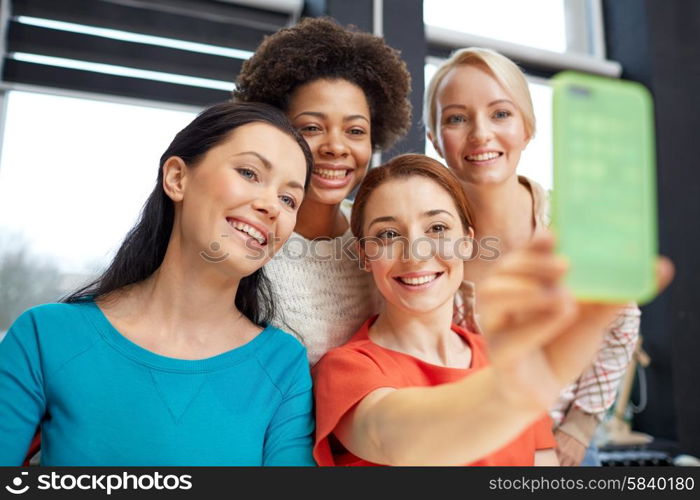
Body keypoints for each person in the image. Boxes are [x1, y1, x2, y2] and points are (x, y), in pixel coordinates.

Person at [0, 102, 317, 466]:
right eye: (248, 172)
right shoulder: (46, 336)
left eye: (289, 198)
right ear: (177, 178)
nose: (271, 206)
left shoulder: (282, 365)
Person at [311, 154, 672, 466]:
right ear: (363, 255)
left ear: (467, 243)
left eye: (437, 227)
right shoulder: (348, 368)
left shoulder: (505, 359)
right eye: (388, 235)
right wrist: (510, 393)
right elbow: (391, 437)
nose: (415, 253)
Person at [425, 47, 643, 465]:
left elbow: (622, 321)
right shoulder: (429, 240)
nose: (480, 133)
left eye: (501, 113)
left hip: (563, 453)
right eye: (456, 117)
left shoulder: (573, 224)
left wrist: (580, 427)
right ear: (435, 137)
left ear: (528, 128)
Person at [233, 17, 412, 365]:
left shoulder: (381, 238)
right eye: (312, 127)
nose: (336, 147)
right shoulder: (247, 238)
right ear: (278, 129)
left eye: (355, 131)